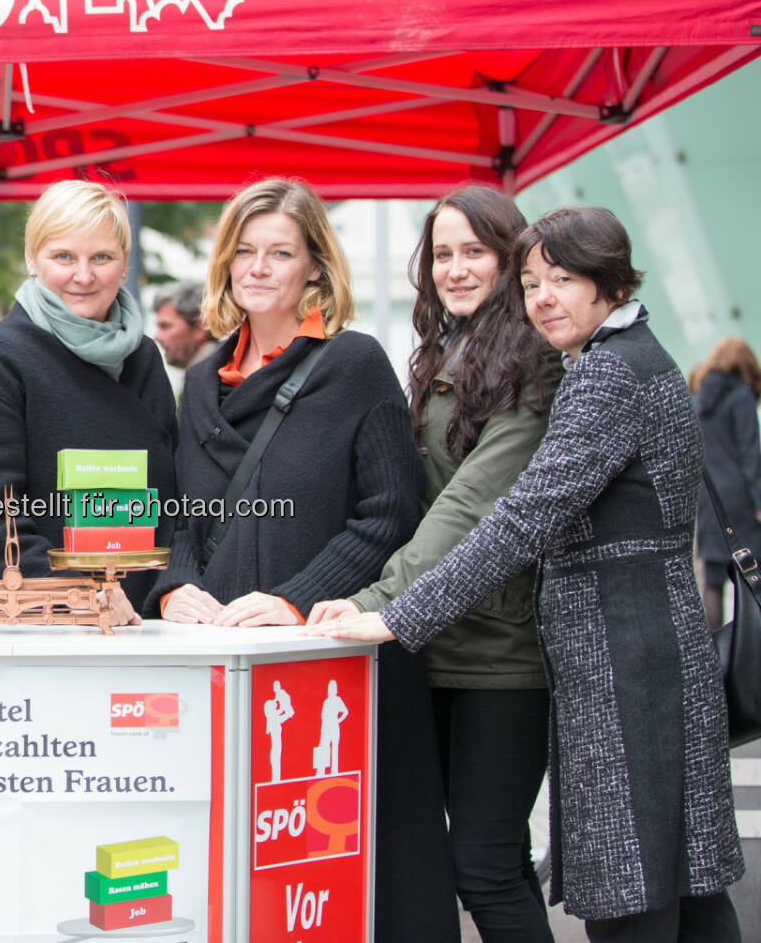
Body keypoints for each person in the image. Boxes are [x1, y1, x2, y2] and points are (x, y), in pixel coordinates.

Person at [309, 207, 745, 941]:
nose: (542, 296)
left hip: (624, 658)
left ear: (608, 281)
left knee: (632, 895)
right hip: (647, 643)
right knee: (688, 887)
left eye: (563, 280)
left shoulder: (606, 373)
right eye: (533, 281)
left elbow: (520, 518)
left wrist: (397, 614)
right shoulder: (629, 356)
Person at [146, 176, 459, 942]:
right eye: (244, 251)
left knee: (356, 876)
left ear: (314, 268)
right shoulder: (198, 384)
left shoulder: (353, 365)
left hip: (334, 666)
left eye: (279, 252)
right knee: (246, 880)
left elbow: (390, 514)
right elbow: (184, 514)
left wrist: (293, 597)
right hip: (228, 668)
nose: (258, 267)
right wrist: (174, 586)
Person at [309, 186, 559, 941]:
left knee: (480, 864)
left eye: (474, 251)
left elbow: (471, 504)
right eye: (442, 254)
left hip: (501, 652)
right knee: (494, 860)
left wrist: (378, 600)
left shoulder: (535, 364)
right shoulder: (446, 349)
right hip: (435, 644)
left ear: (512, 258)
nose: (454, 269)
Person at [0, 179, 177, 618]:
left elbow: (173, 497)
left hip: (147, 621)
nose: (83, 275)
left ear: (124, 263)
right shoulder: (0, 358)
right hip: (47, 621)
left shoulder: (144, 357)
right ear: (31, 258)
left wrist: (169, 590)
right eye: (63, 257)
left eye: (101, 257)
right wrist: (77, 601)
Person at [692, 336, 761, 629]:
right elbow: (750, 453)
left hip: (709, 498)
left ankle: (717, 655)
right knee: (754, 572)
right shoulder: (740, 396)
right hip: (741, 497)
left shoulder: (698, 398)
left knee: (714, 580)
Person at [151, 280, 216, 370]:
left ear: (200, 326)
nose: (157, 337)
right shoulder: (203, 374)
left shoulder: (220, 376)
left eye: (165, 326)